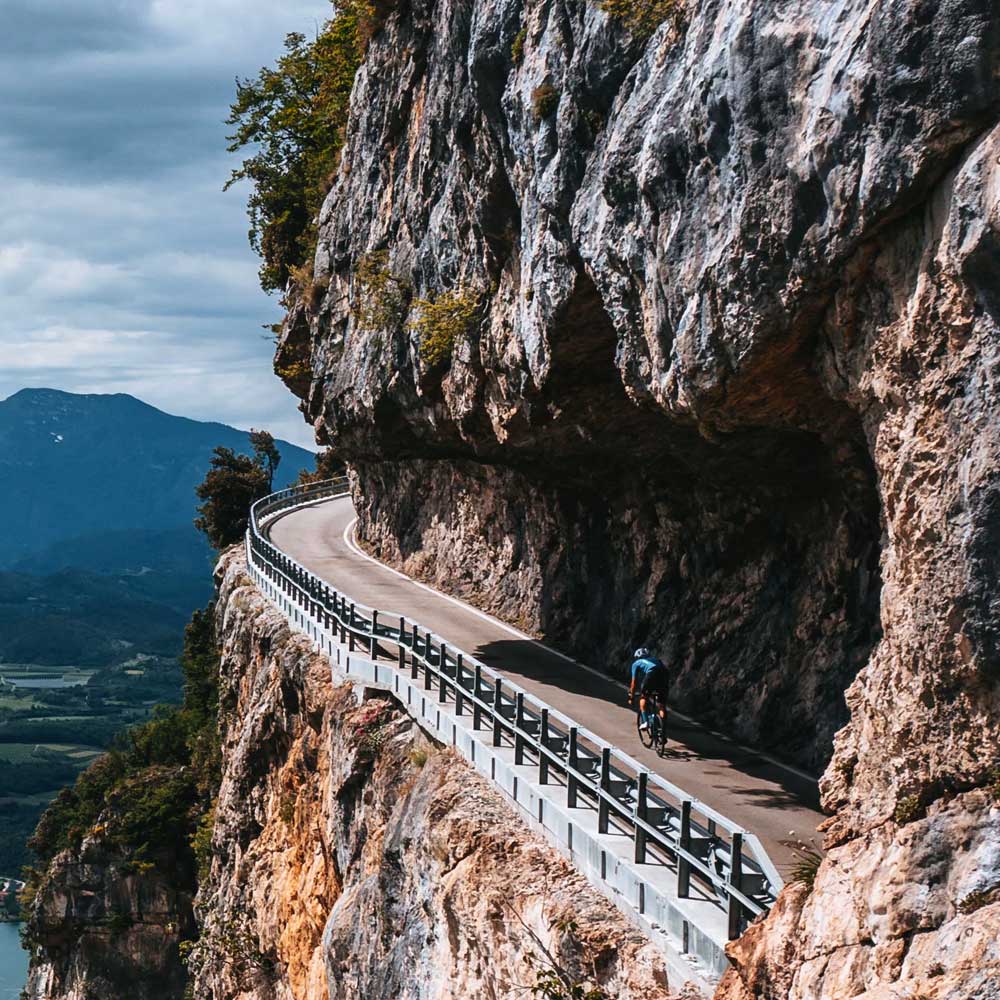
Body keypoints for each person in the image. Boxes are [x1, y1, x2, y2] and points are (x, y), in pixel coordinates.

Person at [628, 647, 669, 732]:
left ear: (637, 657)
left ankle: (645, 722)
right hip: (664, 675)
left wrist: (631, 696)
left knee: (643, 698)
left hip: (652, 674)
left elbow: (633, 682)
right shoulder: (655, 659)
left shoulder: (636, 663)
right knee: (661, 705)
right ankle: (663, 731)